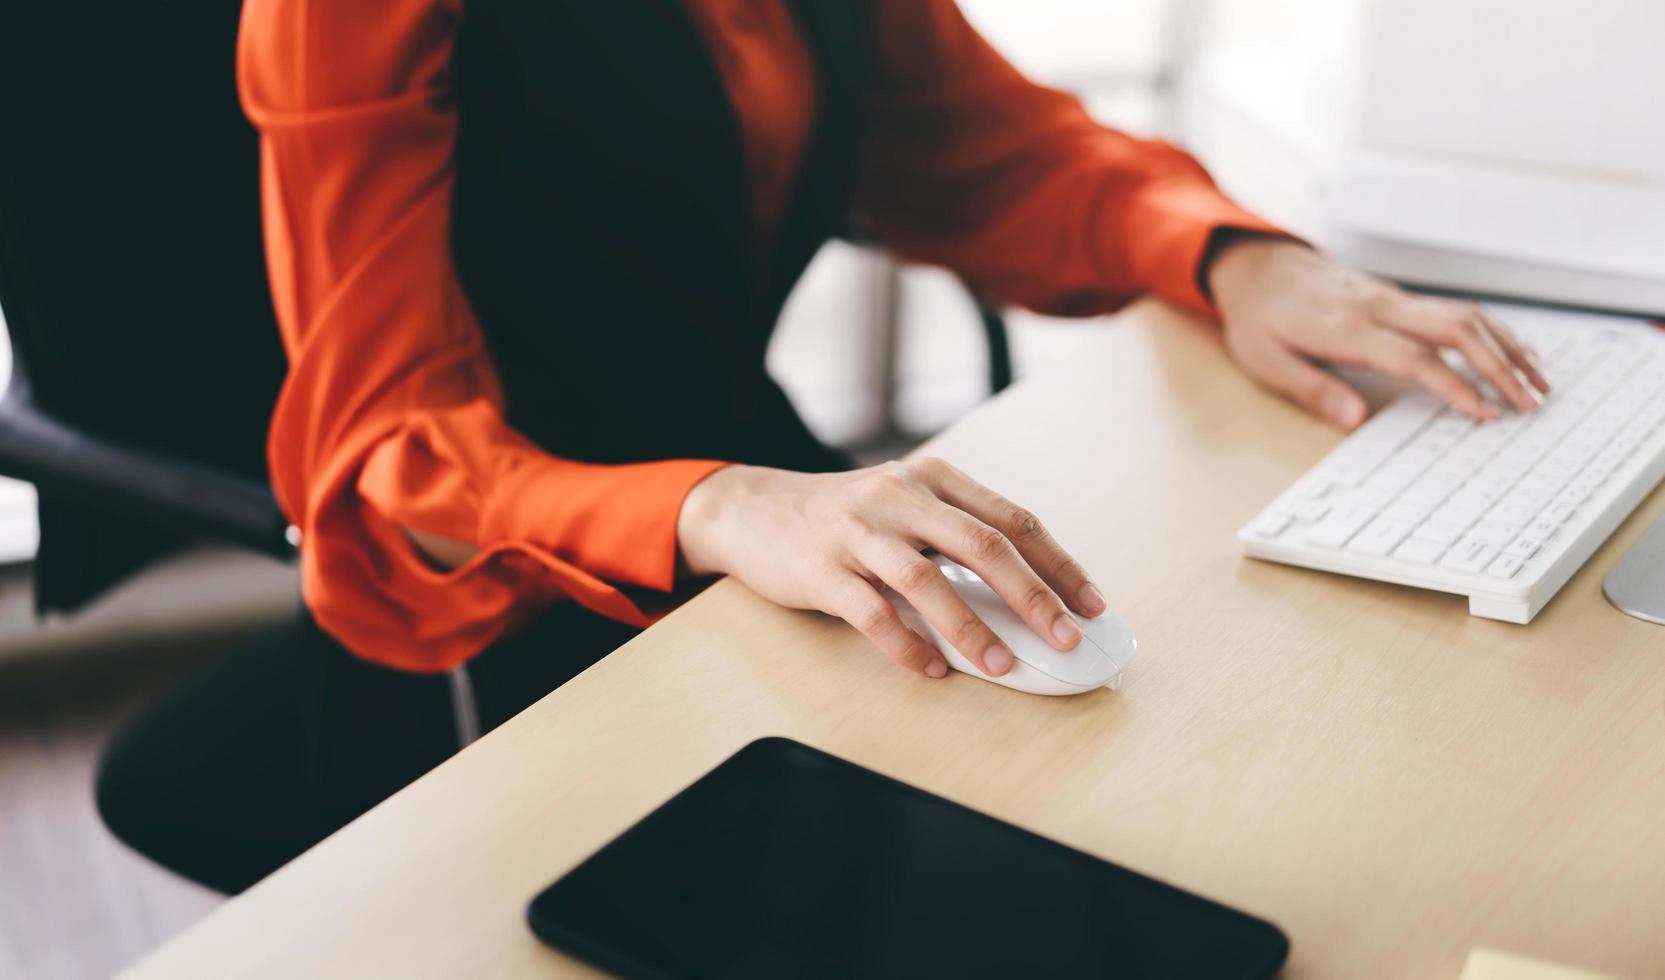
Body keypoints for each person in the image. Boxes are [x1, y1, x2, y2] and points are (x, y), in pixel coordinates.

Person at [96, 0, 1549, 893]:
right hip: (513, 594)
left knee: (1162, 801)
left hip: (777, 503)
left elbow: (982, 147)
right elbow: (393, 453)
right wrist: (715, 507)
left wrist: (1230, 256)